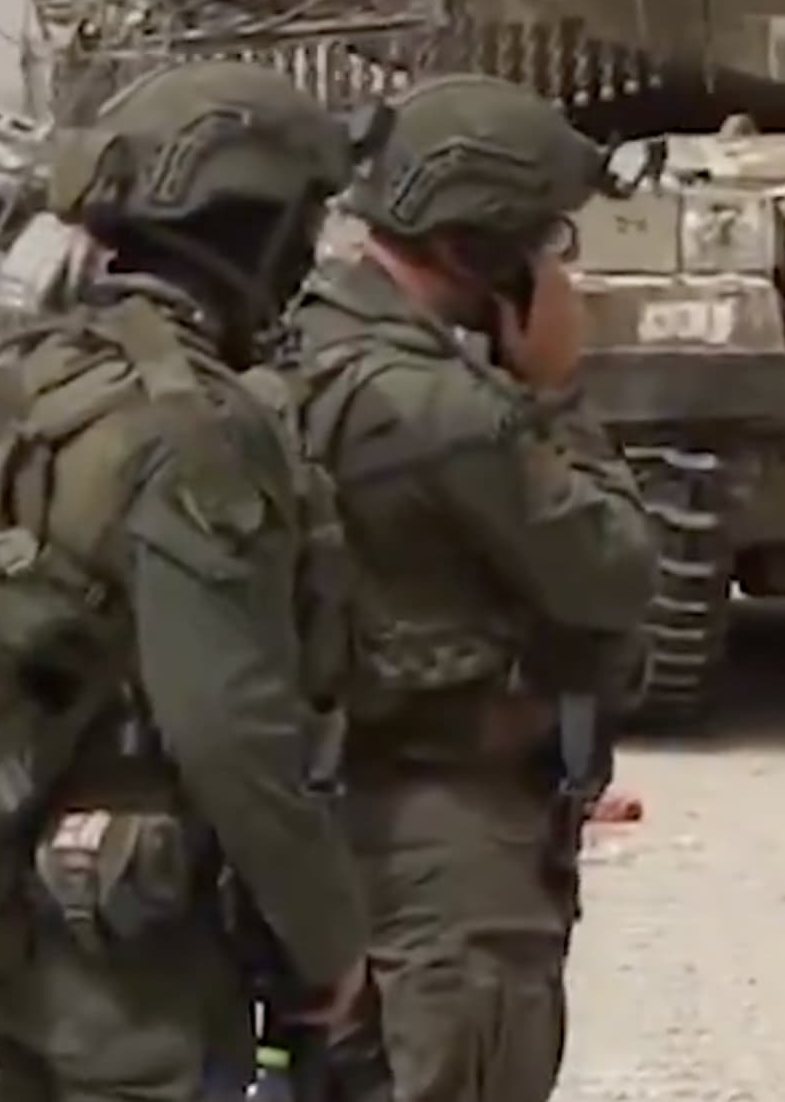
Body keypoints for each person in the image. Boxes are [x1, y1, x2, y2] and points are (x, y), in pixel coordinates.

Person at [0, 60, 375, 1102]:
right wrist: (329, 941)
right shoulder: (194, 427)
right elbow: (227, 726)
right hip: (138, 939)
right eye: (304, 220)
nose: (310, 254)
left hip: (14, 896)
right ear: (251, 224)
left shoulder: (18, 373)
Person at [279, 74, 658, 1102]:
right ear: (472, 246)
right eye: (542, 240)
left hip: (341, 817)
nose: (556, 267)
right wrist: (559, 391)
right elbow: (613, 568)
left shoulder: (307, 345)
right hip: (444, 845)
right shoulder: (440, 409)